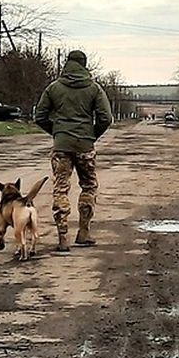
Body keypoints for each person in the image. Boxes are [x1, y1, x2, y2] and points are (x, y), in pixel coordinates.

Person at [33, 49, 112, 252]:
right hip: (85, 145)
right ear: (84, 64)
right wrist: (92, 135)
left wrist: (57, 133)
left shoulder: (54, 88)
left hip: (62, 146)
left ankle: (62, 237)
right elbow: (106, 117)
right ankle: (84, 232)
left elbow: (39, 116)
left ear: (67, 63)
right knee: (88, 185)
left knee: (60, 188)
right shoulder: (94, 88)